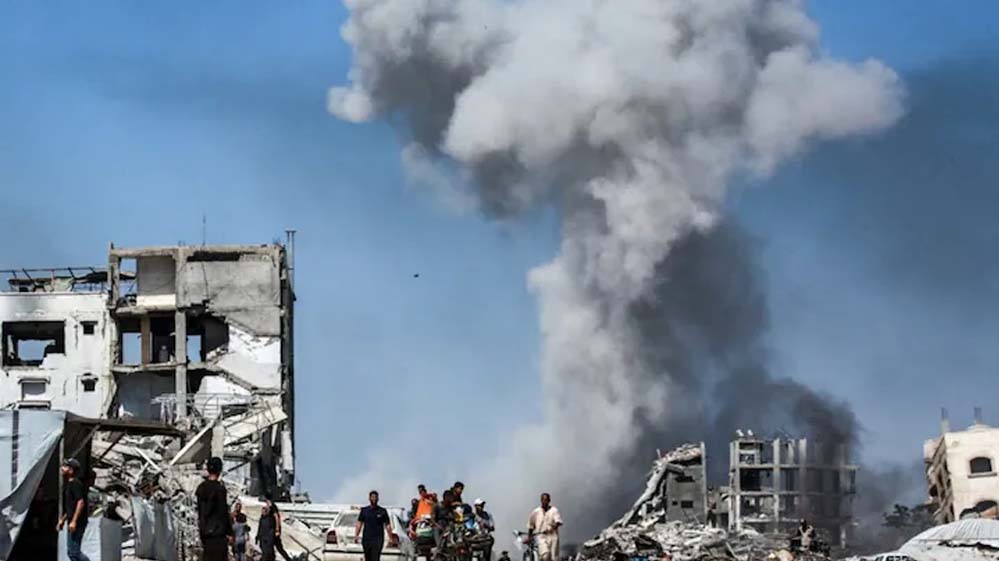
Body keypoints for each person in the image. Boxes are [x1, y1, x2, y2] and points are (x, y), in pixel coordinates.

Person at [195, 457, 233, 561]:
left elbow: (201, 513)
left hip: (205, 534)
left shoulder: (201, 488)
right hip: (218, 534)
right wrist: (229, 532)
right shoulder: (219, 489)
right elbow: (223, 512)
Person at [58, 458, 90, 561]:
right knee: (71, 553)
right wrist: (63, 519)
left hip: (78, 522)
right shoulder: (69, 484)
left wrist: (74, 521)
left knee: (74, 552)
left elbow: (80, 502)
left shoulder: (75, 483)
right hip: (72, 521)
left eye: (65, 466)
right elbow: (71, 507)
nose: (62, 468)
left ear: (71, 470)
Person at [355, 490, 397, 561]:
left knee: (375, 558)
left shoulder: (382, 511)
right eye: (372, 497)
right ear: (369, 498)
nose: (374, 499)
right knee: (368, 558)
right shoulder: (364, 510)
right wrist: (356, 535)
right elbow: (359, 523)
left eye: (375, 497)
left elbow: (387, 525)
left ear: (378, 499)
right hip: (367, 539)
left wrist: (390, 537)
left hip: (378, 539)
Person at [528, 493, 563, 561]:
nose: (545, 502)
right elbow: (531, 526)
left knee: (553, 558)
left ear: (549, 500)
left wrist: (553, 527)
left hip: (553, 536)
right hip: (541, 536)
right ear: (541, 500)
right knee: (545, 555)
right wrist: (530, 537)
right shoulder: (536, 512)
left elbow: (558, 521)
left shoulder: (554, 510)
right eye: (543, 500)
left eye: (546, 500)